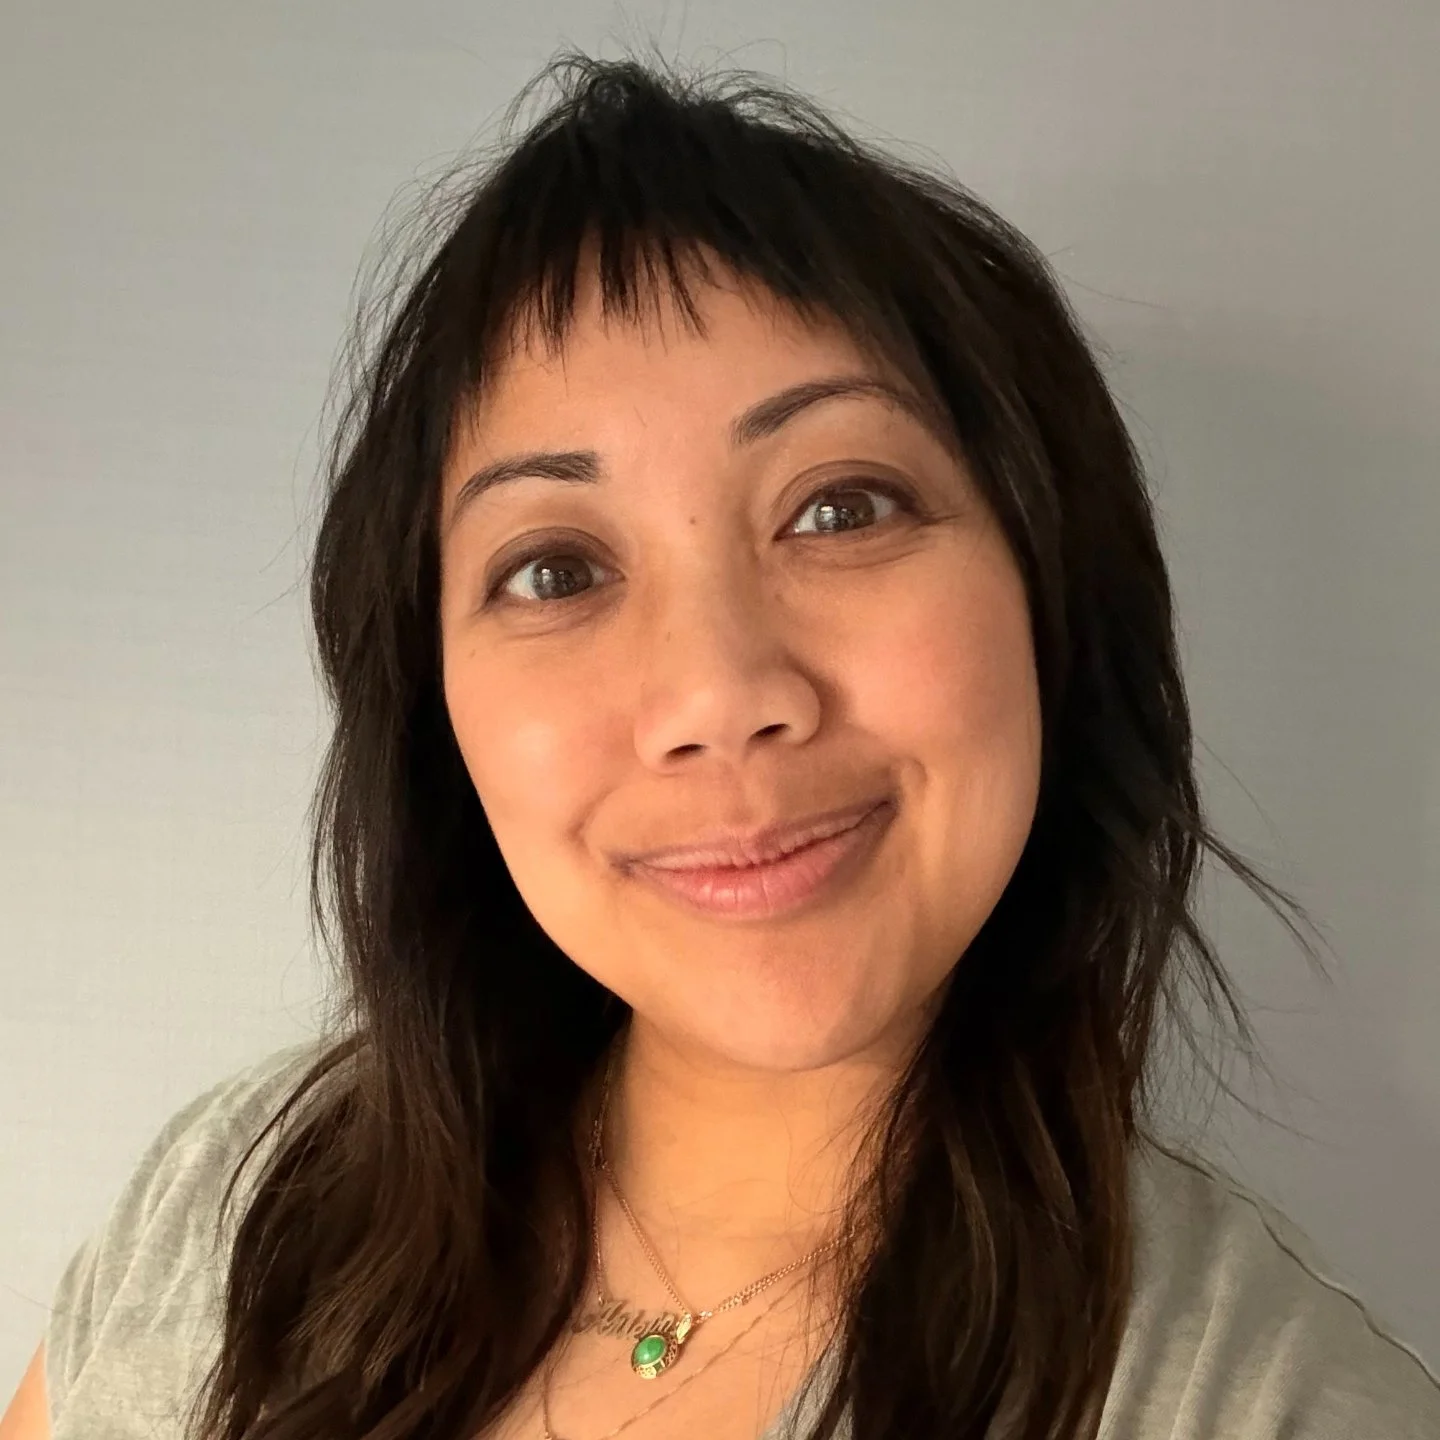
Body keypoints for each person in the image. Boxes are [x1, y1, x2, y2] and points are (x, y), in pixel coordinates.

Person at [5, 49, 1439, 1440]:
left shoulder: (1262, 1402)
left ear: (1057, 595)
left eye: (840, 506)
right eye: (556, 569)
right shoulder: (227, 1213)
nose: (717, 691)